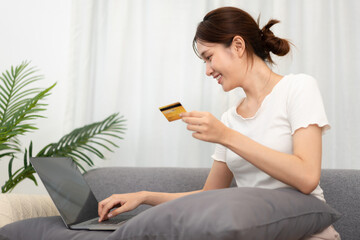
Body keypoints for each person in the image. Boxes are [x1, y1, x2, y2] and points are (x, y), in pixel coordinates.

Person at [98, 6, 340, 239]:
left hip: (306, 231)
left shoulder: (297, 88)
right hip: (252, 230)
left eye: (209, 57)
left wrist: (226, 136)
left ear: (237, 46)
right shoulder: (229, 119)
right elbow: (209, 195)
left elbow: (307, 178)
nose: (207, 70)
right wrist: (143, 196)